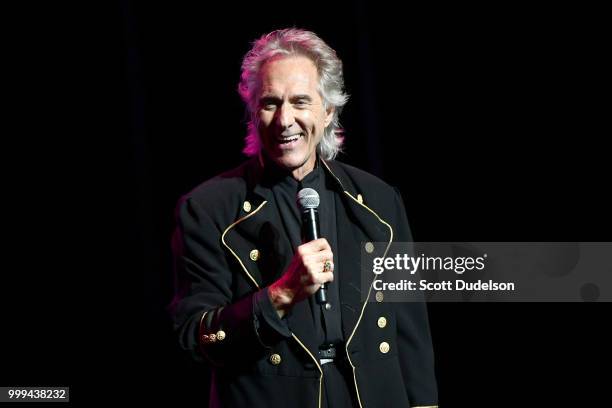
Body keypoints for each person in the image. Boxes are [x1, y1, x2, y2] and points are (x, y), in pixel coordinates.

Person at [170, 28, 438, 408]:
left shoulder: (378, 200)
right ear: (252, 111)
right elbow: (196, 339)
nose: (285, 120)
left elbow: (411, 331)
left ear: (328, 111)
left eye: (300, 101)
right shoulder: (208, 208)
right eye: (269, 103)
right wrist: (280, 295)